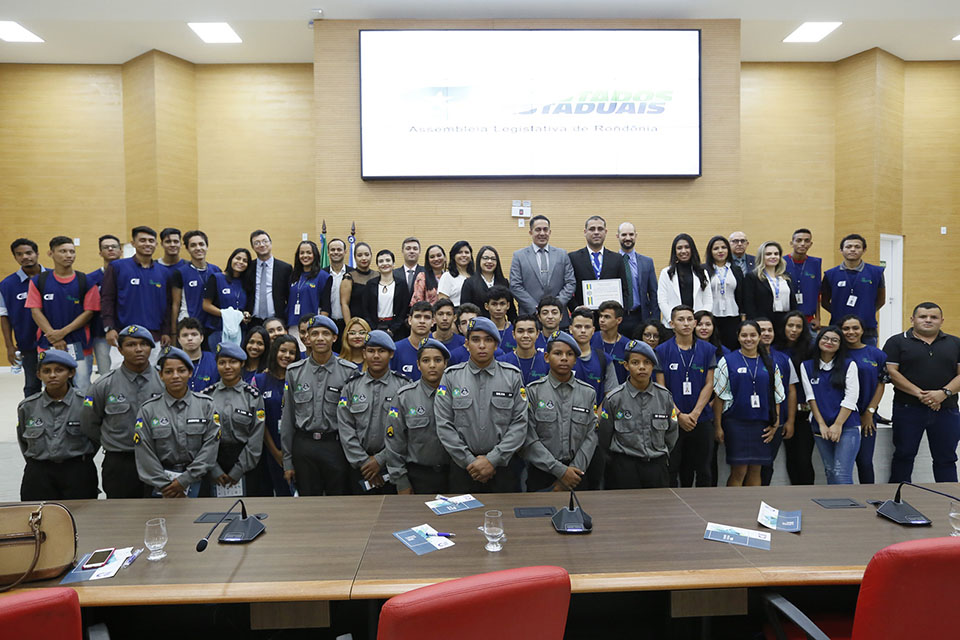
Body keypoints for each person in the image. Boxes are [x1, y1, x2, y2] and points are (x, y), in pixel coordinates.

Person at [435, 316, 527, 493]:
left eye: (488, 340)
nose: (482, 345)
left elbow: (520, 423)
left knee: (506, 519)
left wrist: (493, 460)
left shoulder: (512, 376)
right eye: (476, 340)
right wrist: (470, 461)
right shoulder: (451, 377)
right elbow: (443, 423)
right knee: (462, 521)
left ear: (496, 345)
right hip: (463, 469)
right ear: (467, 344)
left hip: (503, 469)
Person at [82, 325, 163, 499]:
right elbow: (90, 424)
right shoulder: (103, 385)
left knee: (161, 515)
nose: (139, 349)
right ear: (119, 349)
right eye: (131, 344)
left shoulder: (165, 382)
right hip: (120, 462)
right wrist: (113, 441)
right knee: (122, 517)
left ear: (152, 347)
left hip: (159, 460)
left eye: (144, 344)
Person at [280, 315, 358, 496]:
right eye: (314, 334)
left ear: (335, 338)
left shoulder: (349, 371)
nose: (320, 338)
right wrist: (288, 461)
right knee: (308, 503)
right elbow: (287, 419)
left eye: (326, 333)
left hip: (336, 446)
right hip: (304, 446)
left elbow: (354, 420)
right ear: (307, 338)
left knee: (339, 501)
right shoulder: (294, 372)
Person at [883, 302, 960, 482]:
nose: (928, 320)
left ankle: (949, 503)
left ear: (941, 320)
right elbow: (891, 373)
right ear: (912, 319)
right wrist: (921, 394)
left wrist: (943, 393)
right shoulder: (896, 341)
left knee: (946, 459)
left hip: (946, 410)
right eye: (923, 316)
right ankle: (898, 503)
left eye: (933, 317)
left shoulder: (955, 343)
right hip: (907, 409)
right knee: (903, 456)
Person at [134, 346, 220, 498]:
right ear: (160, 375)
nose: (175, 376)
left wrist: (185, 480)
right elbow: (144, 453)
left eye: (181, 370)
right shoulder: (148, 409)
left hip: (199, 481)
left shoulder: (206, 405)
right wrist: (166, 485)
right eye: (168, 372)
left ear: (190, 373)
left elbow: (210, 448)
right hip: (161, 487)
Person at [522, 331, 599, 492]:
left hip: (578, 473)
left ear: (575, 360)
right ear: (546, 357)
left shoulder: (588, 393)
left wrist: (573, 472)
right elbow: (529, 438)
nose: (564, 358)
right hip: (542, 472)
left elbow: (591, 437)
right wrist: (560, 471)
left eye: (569, 354)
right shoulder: (533, 392)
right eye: (558, 353)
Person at [17, 349, 98, 501]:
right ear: (39, 375)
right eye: (46, 371)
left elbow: (95, 437)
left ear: (71, 373)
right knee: (38, 519)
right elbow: (24, 441)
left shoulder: (86, 404)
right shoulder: (27, 407)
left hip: (77, 470)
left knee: (83, 517)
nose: (52, 375)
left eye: (59, 370)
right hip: (39, 473)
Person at [713, 320, 785, 486]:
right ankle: (734, 509)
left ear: (759, 337)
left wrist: (776, 423)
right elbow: (719, 396)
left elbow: (777, 396)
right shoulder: (727, 361)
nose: (749, 339)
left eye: (753, 335)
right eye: (744, 335)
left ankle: (752, 508)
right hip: (736, 423)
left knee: (756, 469)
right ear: (738, 337)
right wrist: (718, 426)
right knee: (739, 470)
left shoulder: (770, 362)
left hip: (761, 423)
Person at [599, 339, 679, 489]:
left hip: (656, 465)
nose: (642, 367)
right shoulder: (614, 398)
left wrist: (660, 452)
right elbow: (604, 435)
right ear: (626, 366)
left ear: (653, 366)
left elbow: (671, 433)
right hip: (624, 466)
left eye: (647, 362)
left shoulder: (664, 397)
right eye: (635, 363)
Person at [338, 330, 409, 494]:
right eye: (371, 351)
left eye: (381, 351)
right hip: (358, 467)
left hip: (392, 465)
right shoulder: (351, 386)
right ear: (364, 353)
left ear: (391, 354)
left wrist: (379, 460)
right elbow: (345, 427)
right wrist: (364, 462)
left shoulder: (404, 386)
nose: (376, 356)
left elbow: (406, 430)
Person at [26, 236, 99, 391]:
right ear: (50, 253)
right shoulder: (39, 281)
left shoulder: (86, 281)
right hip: (48, 345)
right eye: (63, 251)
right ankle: (55, 416)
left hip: (79, 345)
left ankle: (86, 415)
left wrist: (62, 333)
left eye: (72, 251)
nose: (69, 255)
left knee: (84, 387)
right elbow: (35, 310)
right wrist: (53, 335)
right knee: (52, 386)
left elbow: (89, 312)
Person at [655, 305, 717, 488]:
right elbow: (660, 386)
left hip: (702, 418)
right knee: (672, 467)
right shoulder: (662, 350)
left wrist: (695, 414)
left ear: (695, 323)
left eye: (690, 319)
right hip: (673, 419)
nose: (686, 323)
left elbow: (709, 383)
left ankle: (703, 509)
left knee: (704, 469)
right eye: (681, 320)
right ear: (671, 323)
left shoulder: (707, 349)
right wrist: (679, 415)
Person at [386, 338, 452, 494]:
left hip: (455, 474)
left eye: (437, 360)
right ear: (418, 365)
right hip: (419, 476)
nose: (432, 365)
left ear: (445, 364)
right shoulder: (404, 397)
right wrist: (401, 481)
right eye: (426, 360)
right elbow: (394, 443)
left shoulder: (456, 394)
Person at [201, 341, 265, 497]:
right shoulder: (206, 397)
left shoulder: (253, 396)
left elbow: (256, 438)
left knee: (246, 512)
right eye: (222, 362)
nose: (227, 367)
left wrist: (238, 470)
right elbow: (201, 436)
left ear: (242, 363)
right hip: (213, 460)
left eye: (233, 362)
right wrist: (214, 469)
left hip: (245, 462)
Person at [802, 326, 861, 484]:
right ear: (818, 340)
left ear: (840, 345)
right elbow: (810, 396)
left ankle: (848, 508)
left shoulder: (849, 365)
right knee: (830, 472)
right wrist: (821, 424)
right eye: (825, 338)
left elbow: (851, 397)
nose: (829, 342)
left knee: (842, 474)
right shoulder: (806, 366)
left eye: (835, 340)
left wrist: (837, 425)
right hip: (820, 426)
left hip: (847, 425)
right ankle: (835, 508)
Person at [100, 226, 174, 351]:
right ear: (133, 243)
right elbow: (107, 299)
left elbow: (167, 305)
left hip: (154, 338)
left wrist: (166, 331)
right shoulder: (117, 267)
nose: (147, 244)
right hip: (123, 336)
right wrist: (109, 328)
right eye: (142, 240)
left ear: (156, 244)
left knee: (153, 371)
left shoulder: (164, 272)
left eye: (151, 241)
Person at [839, 314, 887, 484]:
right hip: (841, 416)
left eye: (855, 328)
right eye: (846, 328)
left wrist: (870, 412)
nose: (851, 332)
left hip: (867, 416)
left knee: (865, 462)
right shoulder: (836, 352)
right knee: (842, 465)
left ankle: (870, 499)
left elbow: (882, 383)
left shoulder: (876, 354)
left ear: (862, 330)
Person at [253, 334, 299, 497]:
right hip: (270, 448)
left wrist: (288, 455)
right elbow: (259, 420)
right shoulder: (259, 380)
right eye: (283, 351)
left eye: (292, 353)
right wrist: (276, 452)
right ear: (274, 352)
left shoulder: (299, 379)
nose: (287, 356)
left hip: (297, 448)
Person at [821, 233, 885, 346]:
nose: (852, 250)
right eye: (848, 247)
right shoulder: (830, 274)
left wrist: (867, 311)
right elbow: (825, 302)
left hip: (867, 328)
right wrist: (838, 312)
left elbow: (881, 300)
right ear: (841, 250)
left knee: (866, 361)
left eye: (857, 247)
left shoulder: (876, 272)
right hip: (838, 327)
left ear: (864, 250)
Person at [775, 310, 816, 485]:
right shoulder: (775, 349)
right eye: (790, 325)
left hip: (804, 412)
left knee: (803, 459)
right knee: (791, 458)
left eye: (798, 326)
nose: (794, 330)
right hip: (781, 409)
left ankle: (807, 494)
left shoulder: (811, 349)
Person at [509, 215, 576, 321]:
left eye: (545, 229)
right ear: (531, 232)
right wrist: (536, 309)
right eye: (538, 230)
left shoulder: (562, 254)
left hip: (558, 318)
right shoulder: (519, 256)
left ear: (550, 232)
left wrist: (555, 307)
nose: (542, 233)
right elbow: (515, 286)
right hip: (529, 317)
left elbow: (570, 283)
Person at [3, 238, 46, 398]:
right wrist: (9, 346)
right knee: (32, 385)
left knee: (64, 382)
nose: (25, 257)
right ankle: (31, 420)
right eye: (19, 254)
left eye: (29, 253)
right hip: (28, 343)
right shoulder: (7, 285)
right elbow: (4, 316)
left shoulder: (53, 277)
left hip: (56, 341)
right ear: (15, 257)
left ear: (37, 254)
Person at [757, 317, 798, 486]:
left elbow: (791, 390)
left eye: (769, 330)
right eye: (762, 330)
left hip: (777, 421)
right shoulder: (739, 358)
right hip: (749, 421)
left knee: (767, 464)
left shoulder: (783, 359)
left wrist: (790, 421)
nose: (766, 334)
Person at [567, 215, 628, 313]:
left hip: (610, 317)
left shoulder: (617, 258)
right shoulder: (573, 258)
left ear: (605, 232)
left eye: (600, 229)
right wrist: (576, 309)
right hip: (583, 317)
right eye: (592, 229)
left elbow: (624, 289)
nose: (596, 232)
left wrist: (618, 312)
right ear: (585, 232)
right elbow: (568, 288)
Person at [169, 230, 221, 337]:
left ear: (207, 246)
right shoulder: (180, 273)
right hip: (189, 327)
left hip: (211, 327)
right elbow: (175, 304)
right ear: (187, 249)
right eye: (193, 245)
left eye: (201, 244)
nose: (198, 248)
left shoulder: (216, 270)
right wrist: (174, 333)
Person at [657, 234, 713, 327]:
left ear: (692, 249)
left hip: (696, 324)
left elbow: (708, 301)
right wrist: (672, 320)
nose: (683, 251)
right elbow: (662, 301)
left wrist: (699, 320)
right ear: (675, 251)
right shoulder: (666, 273)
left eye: (687, 247)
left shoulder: (702, 272)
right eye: (679, 248)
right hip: (672, 326)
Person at [87, 234, 122, 376]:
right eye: (106, 247)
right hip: (101, 333)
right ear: (100, 252)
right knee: (106, 374)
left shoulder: (129, 274)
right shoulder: (90, 279)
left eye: (114, 247)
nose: (110, 249)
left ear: (121, 251)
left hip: (126, 331)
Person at [203, 247, 251, 348]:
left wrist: (244, 315)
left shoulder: (246, 283)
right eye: (238, 258)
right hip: (218, 330)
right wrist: (230, 315)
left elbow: (243, 308)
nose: (241, 262)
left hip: (240, 331)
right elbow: (206, 305)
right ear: (231, 259)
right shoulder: (216, 278)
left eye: (245, 261)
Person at [703, 235, 745, 350]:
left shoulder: (736, 269)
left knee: (731, 346)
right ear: (710, 252)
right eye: (716, 248)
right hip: (711, 315)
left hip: (732, 315)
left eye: (723, 247)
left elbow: (741, 294)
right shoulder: (703, 269)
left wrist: (743, 315)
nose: (720, 251)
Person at [617, 222, 658, 338]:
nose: (628, 238)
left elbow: (654, 293)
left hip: (640, 316)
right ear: (617, 236)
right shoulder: (611, 261)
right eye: (624, 235)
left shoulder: (647, 262)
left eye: (631, 234)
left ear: (636, 235)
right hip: (619, 318)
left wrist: (654, 321)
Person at [743, 241, 797, 328]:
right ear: (762, 257)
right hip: (763, 323)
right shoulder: (753, 277)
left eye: (776, 254)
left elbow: (793, 303)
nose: (773, 257)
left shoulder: (786, 277)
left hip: (785, 322)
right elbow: (749, 305)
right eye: (768, 254)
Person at [569, 308, 617, 405]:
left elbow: (611, 396)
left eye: (587, 327)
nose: (583, 331)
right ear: (570, 329)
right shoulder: (562, 359)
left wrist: (597, 419)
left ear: (593, 330)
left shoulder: (604, 359)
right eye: (578, 326)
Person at [288, 240, 331, 348]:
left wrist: (320, 326)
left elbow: (326, 305)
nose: (305, 256)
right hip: (293, 325)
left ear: (315, 255)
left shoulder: (323, 276)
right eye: (301, 253)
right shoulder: (293, 275)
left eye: (308, 252)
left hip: (312, 325)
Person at [245, 230, 293, 326]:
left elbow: (289, 296)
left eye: (265, 241)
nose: (261, 245)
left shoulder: (285, 268)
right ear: (253, 247)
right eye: (257, 243)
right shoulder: (248, 267)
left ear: (270, 243)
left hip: (277, 320)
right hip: (252, 321)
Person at [365, 249, 410, 338]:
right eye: (381, 261)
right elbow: (365, 309)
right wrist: (374, 328)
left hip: (396, 329)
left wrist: (393, 329)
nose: (385, 263)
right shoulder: (370, 284)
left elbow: (404, 310)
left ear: (393, 264)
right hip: (375, 328)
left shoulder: (402, 284)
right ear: (377, 265)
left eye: (388, 260)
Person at [784, 228, 822, 331]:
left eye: (807, 241)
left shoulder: (815, 263)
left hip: (809, 321)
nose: (803, 244)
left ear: (811, 244)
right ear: (792, 243)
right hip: (786, 320)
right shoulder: (782, 262)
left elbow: (817, 293)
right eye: (799, 240)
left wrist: (818, 318)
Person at [460, 246, 512, 318]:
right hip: (478, 326)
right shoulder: (469, 283)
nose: (489, 261)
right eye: (485, 258)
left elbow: (511, 310)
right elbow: (465, 310)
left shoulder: (504, 282)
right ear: (479, 260)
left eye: (493, 259)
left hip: (499, 325)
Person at [391, 301, 433, 381]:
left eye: (427, 317)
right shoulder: (395, 349)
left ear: (433, 322)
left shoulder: (439, 350)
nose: (422, 321)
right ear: (410, 320)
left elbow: (444, 383)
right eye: (417, 317)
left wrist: (440, 394)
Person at [322, 238, 352, 348]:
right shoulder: (321, 274)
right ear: (328, 252)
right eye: (332, 250)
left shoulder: (353, 273)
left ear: (345, 252)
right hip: (328, 323)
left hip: (347, 323)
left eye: (339, 249)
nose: (336, 252)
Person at [592, 300, 630, 384]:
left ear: (619, 320)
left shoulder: (627, 345)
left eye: (607, 317)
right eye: (600, 316)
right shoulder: (591, 339)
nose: (601, 320)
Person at [506, 314, 550, 385]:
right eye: (520, 331)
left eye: (530, 331)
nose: (525, 336)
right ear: (514, 334)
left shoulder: (547, 361)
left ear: (537, 334)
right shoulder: (502, 362)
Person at [178, 317, 218, 392]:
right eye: (185, 335)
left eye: (194, 334)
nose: (189, 338)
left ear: (201, 338)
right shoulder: (173, 361)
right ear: (179, 339)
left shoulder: (215, 360)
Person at [341, 241, 375, 324]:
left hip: (375, 323)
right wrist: (349, 326)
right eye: (360, 255)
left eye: (367, 254)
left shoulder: (378, 276)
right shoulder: (348, 277)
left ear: (371, 256)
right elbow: (344, 304)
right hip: (356, 323)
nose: (364, 258)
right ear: (355, 257)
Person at [437, 240, 473, 306]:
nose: (464, 255)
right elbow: (442, 303)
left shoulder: (475, 276)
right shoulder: (447, 276)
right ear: (453, 256)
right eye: (460, 252)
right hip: (455, 313)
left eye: (467, 252)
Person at [393, 237, 423, 311]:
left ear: (419, 252)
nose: (412, 251)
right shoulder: (393, 274)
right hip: (398, 315)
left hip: (420, 314)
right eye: (408, 248)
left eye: (415, 249)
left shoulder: (426, 273)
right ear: (402, 251)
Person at [485, 286, 517, 351]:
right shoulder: (482, 331)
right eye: (494, 304)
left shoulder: (516, 331)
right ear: (487, 306)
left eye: (502, 304)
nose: (498, 308)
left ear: (508, 306)